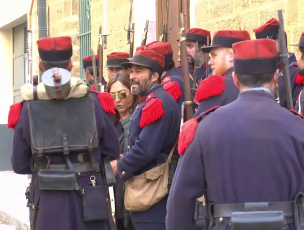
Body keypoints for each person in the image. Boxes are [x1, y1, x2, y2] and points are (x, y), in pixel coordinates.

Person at [166, 38, 304, 230]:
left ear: (236, 78)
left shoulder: (205, 128)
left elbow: (180, 201)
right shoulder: (303, 129)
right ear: (275, 77)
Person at [9, 36, 119, 230]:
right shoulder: (95, 102)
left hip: (48, 201)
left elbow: (19, 164)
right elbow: (112, 149)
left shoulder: (26, 109)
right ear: (70, 65)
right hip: (89, 195)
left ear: (41, 67)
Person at [114, 49, 180, 230]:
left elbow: (146, 149)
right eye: (132, 71)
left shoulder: (157, 103)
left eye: (139, 71)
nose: (133, 76)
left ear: (154, 76)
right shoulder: (150, 100)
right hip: (148, 191)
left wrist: (119, 166)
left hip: (153, 194)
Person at [106, 74, 139, 230]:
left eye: (122, 94)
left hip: (135, 187)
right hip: (114, 188)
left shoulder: (139, 120)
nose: (117, 99)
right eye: (112, 95)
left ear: (132, 93)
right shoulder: (108, 123)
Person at [194, 30, 250, 117]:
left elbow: (195, 128)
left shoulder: (217, 86)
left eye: (214, 55)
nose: (209, 62)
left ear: (231, 56)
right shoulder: (262, 82)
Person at [253, 18, 304, 107]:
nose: (265, 51)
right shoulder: (266, 70)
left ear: (281, 40)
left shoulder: (298, 72)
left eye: (268, 45)